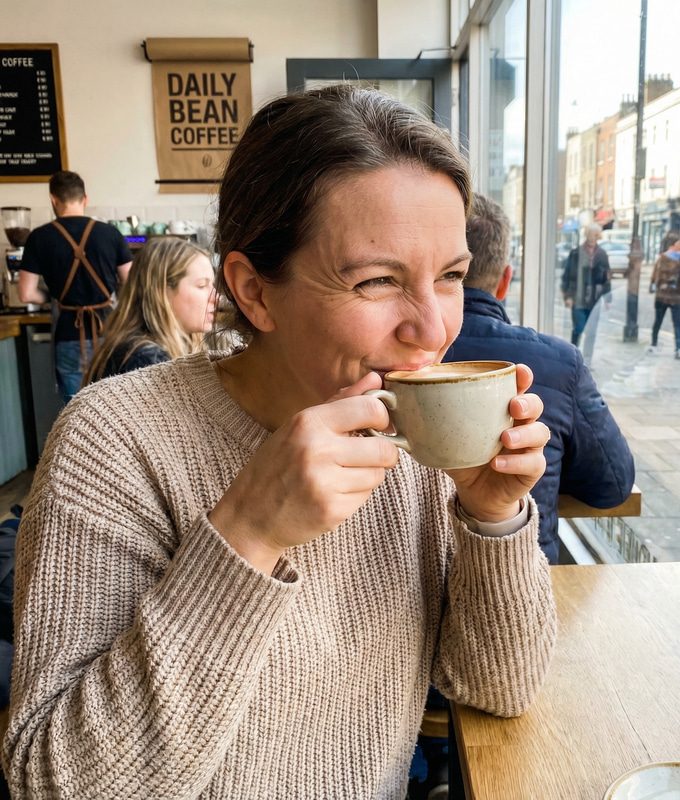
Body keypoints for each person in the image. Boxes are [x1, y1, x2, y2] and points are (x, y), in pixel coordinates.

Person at [3, 86, 557, 800]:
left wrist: (493, 516)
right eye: (377, 280)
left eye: (449, 276)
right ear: (255, 292)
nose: (433, 329)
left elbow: (498, 689)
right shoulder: (112, 439)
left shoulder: (415, 442)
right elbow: (55, 784)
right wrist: (248, 534)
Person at [445, 194, 635, 565]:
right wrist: (547, 466)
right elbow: (612, 486)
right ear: (505, 281)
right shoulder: (560, 363)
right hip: (532, 569)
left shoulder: (385, 365)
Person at [17, 170, 132, 403]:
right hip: (109, 330)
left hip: (67, 334)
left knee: (76, 410)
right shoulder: (110, 233)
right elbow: (133, 283)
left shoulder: (39, 237)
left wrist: (51, 296)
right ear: (85, 199)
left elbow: (26, 294)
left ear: (53, 200)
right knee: (115, 407)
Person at [82, 236, 217, 384]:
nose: (216, 297)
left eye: (212, 285)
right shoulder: (145, 360)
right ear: (162, 292)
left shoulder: (155, 350)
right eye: (202, 286)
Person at [560, 223, 611, 365]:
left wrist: (608, 298)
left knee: (591, 332)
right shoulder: (575, 253)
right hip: (578, 299)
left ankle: (587, 361)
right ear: (585, 235)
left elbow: (607, 278)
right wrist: (568, 296)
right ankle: (573, 360)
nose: (592, 237)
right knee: (578, 329)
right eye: (590, 234)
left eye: (595, 235)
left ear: (598, 236)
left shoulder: (602, 254)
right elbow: (567, 276)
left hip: (594, 300)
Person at [648, 230, 680, 359]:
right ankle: (676, 348)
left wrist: (654, 287)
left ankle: (656, 345)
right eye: (679, 242)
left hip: (665, 296)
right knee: (674, 323)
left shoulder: (666, 258)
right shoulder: (678, 258)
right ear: (673, 244)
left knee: (660, 321)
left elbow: (655, 276)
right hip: (672, 296)